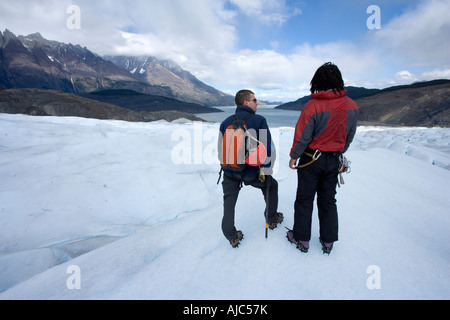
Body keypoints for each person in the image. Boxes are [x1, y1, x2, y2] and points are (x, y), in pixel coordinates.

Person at [287, 62, 359, 254]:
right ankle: (328, 241)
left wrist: (294, 156)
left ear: (318, 81)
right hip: (333, 159)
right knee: (328, 200)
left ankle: (302, 239)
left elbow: (303, 136)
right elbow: (349, 135)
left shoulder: (313, 106)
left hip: (311, 159)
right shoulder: (351, 106)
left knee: (304, 198)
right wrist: (338, 151)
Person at [219, 90, 283, 248]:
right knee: (271, 186)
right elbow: (269, 149)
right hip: (251, 172)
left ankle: (231, 235)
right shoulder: (259, 120)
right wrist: (266, 171)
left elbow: (221, 150)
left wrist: (228, 167)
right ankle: (271, 219)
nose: (257, 102)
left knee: (229, 203)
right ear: (246, 102)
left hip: (230, 171)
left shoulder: (225, 122)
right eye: (254, 100)